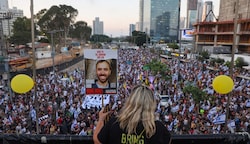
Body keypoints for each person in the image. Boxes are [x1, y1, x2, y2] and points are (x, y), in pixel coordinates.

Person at [93, 85, 172, 144]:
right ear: (151, 104)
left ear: (130, 101)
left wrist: (101, 120)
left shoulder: (114, 123)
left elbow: (97, 141)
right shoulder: (157, 128)